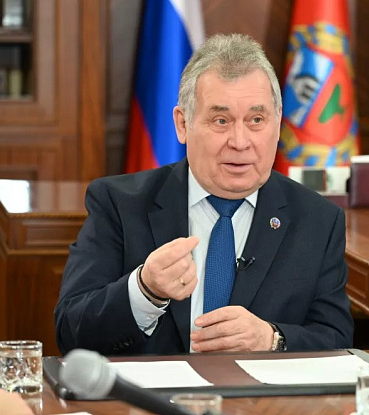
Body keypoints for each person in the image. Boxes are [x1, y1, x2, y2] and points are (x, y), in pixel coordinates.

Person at [54, 33, 353, 356]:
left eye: (256, 120)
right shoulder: (119, 204)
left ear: (278, 122)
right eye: (221, 120)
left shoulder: (318, 219)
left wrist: (271, 339)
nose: (240, 142)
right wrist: (144, 290)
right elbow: (71, 331)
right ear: (183, 124)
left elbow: (337, 342)